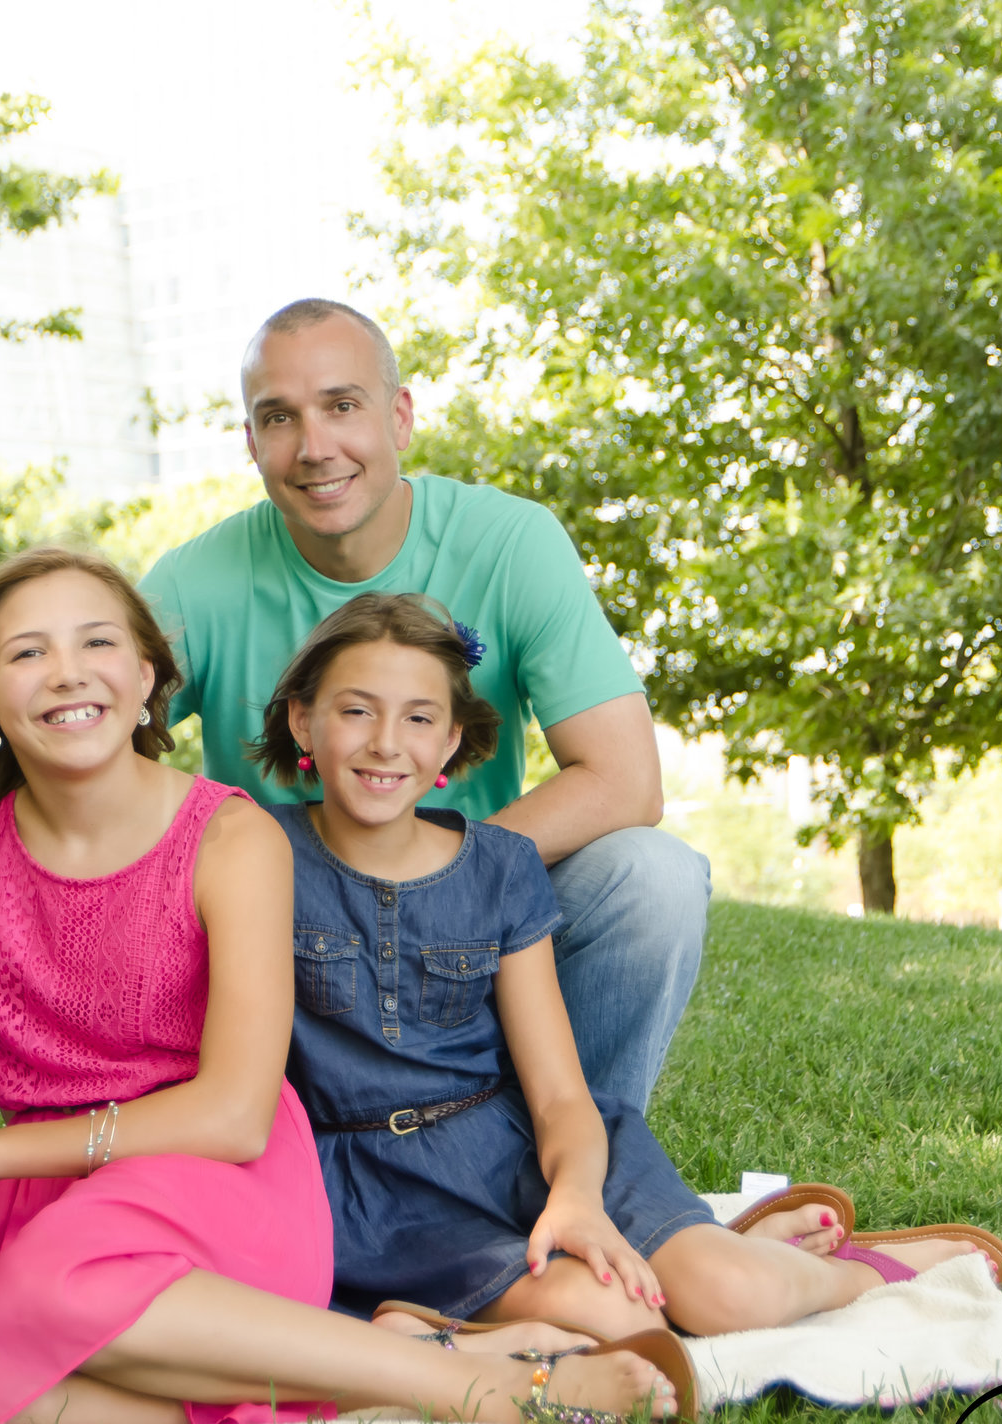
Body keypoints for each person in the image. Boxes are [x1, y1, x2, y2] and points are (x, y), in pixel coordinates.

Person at [0, 548, 692, 1424]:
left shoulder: (229, 835)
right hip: (57, 1199)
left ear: (145, 678)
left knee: (51, 1293)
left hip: (219, 1181)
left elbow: (234, 1116)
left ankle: (495, 1395)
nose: (66, 673)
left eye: (95, 642)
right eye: (26, 653)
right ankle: (398, 1369)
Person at [257, 594, 1002, 1338]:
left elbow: (558, 1094)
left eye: (419, 718)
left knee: (727, 1296)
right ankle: (453, 1320)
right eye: (356, 710)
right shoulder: (253, 852)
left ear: (451, 740)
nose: (387, 742)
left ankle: (858, 1271)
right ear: (303, 720)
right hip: (369, 1196)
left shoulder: (500, 865)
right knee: (616, 1314)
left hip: (518, 1149)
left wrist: (578, 1198)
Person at [139, 298, 712, 1119]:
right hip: (290, 950)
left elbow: (626, 782)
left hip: (480, 918)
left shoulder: (511, 541)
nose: (314, 447)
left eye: (342, 406)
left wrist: (435, 875)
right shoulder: (197, 581)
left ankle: (596, 1160)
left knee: (653, 878)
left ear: (399, 416)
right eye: (279, 418)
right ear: (251, 442)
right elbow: (93, 730)